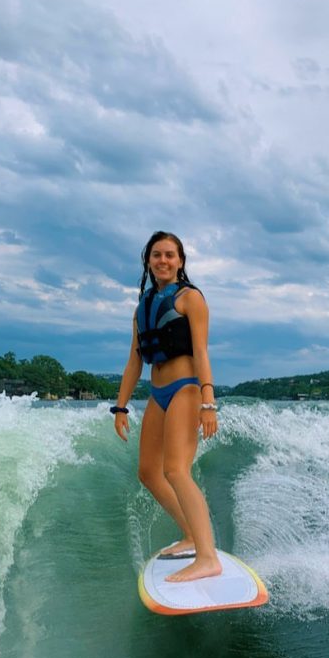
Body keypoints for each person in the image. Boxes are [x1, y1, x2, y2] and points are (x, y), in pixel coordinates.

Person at [111, 231, 222, 582]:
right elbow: (134, 361)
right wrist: (121, 407)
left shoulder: (191, 299)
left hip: (186, 389)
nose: (163, 260)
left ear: (181, 261)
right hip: (157, 393)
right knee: (148, 472)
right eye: (157, 255)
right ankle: (190, 535)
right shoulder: (142, 307)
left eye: (170, 255)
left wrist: (209, 402)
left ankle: (207, 557)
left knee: (176, 470)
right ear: (148, 261)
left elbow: (201, 352)